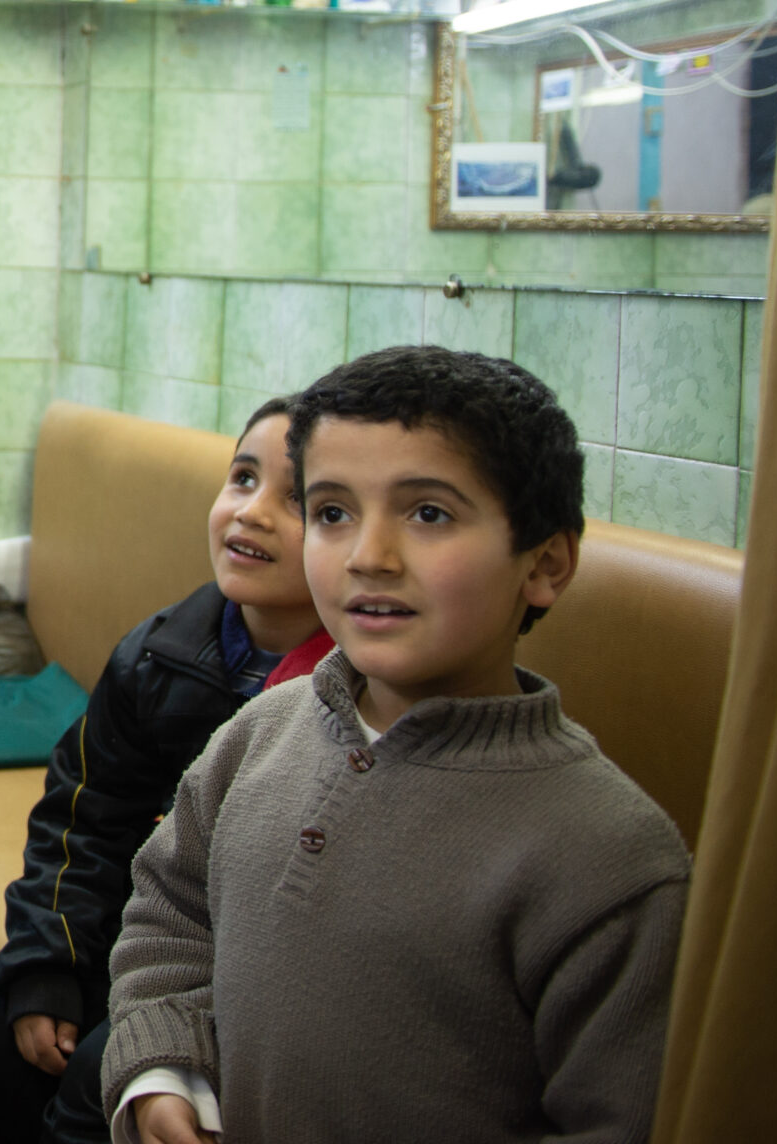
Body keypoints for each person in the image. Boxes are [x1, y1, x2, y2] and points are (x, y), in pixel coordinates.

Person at [106, 347, 692, 1144]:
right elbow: (172, 911)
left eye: (428, 514)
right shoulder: (260, 735)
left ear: (546, 563)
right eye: (333, 512)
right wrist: (164, 1071)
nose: (368, 557)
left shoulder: (612, 859)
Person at [0, 399, 332, 1144]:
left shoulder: (354, 690)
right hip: (131, 933)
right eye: (243, 478)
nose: (254, 512)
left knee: (100, 1072)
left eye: (301, 500)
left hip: (242, 974)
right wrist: (50, 963)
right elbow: (82, 817)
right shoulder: (160, 653)